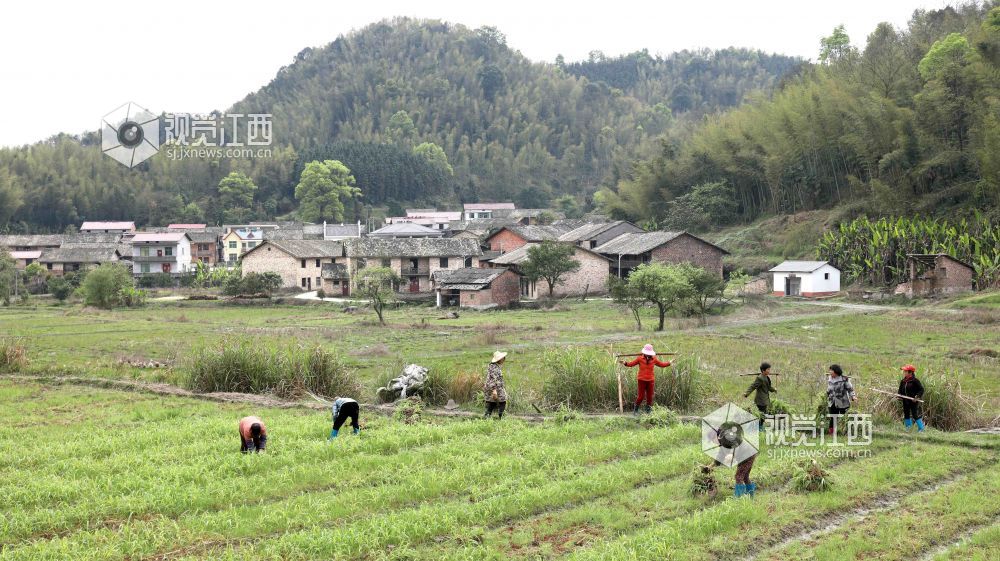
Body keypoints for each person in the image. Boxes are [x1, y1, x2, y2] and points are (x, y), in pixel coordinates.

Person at [621, 344, 671, 414]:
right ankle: (635, 410)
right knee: (641, 397)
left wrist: (669, 363)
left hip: (651, 380)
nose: (648, 355)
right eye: (646, 353)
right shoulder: (639, 358)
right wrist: (625, 363)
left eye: (649, 354)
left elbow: (661, 364)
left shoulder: (654, 359)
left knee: (650, 396)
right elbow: (631, 364)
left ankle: (648, 410)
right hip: (641, 380)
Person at [743, 362, 776, 429]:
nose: (769, 371)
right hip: (760, 400)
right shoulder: (760, 378)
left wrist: (774, 389)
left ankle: (759, 426)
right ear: (763, 370)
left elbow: (768, 387)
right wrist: (746, 393)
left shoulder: (766, 377)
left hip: (765, 399)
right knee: (762, 414)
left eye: (769, 369)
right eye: (768, 369)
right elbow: (753, 386)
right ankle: (759, 427)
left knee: (763, 413)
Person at [826, 364, 857, 435]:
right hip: (832, 401)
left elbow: (850, 389)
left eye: (831, 370)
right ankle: (831, 433)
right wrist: (827, 395)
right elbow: (829, 389)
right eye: (830, 370)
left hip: (842, 402)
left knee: (844, 417)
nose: (830, 372)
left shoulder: (844, 379)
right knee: (833, 417)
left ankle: (846, 432)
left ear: (836, 371)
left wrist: (853, 396)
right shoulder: (830, 378)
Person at [898, 364, 926, 432]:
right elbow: (900, 390)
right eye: (904, 371)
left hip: (913, 401)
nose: (904, 372)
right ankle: (908, 428)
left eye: (905, 371)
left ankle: (921, 429)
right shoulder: (903, 381)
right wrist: (899, 395)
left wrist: (917, 396)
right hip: (905, 400)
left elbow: (921, 389)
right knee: (906, 414)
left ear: (910, 372)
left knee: (914, 414)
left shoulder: (915, 381)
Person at [484, 351, 508, 419]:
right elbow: (493, 380)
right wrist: (494, 390)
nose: (504, 359)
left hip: (496, 389)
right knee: (502, 401)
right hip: (495, 389)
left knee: (492, 403)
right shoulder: (494, 368)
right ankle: (501, 417)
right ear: (499, 359)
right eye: (502, 358)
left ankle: (487, 417)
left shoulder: (494, 366)